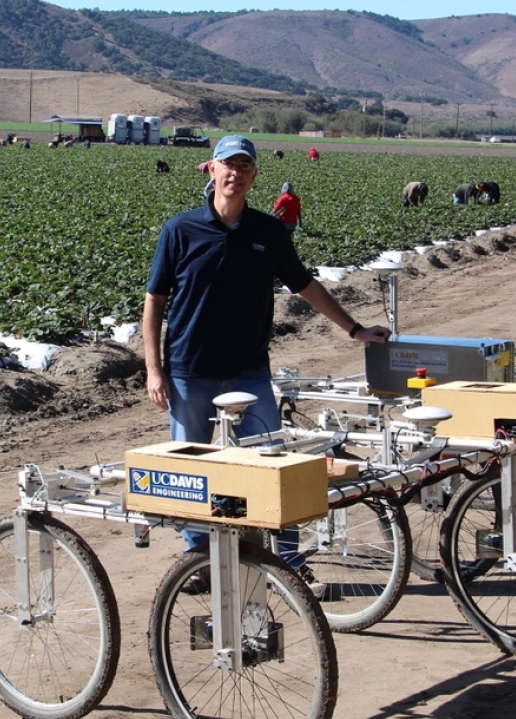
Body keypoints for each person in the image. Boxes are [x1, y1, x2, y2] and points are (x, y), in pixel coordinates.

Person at [143, 135, 391, 592]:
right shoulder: (179, 229)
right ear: (211, 170)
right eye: (227, 165)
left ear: (254, 176)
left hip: (249, 370)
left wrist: (355, 330)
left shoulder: (269, 232)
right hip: (188, 370)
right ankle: (198, 558)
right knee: (194, 467)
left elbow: (306, 286)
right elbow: (155, 300)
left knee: (270, 463)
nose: (235, 173)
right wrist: (154, 369)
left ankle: (287, 558)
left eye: (244, 167)